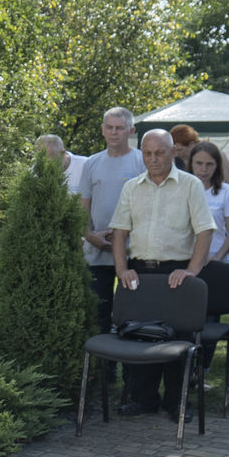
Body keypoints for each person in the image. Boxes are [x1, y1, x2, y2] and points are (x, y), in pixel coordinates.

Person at [108, 129, 217, 418]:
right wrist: (122, 270)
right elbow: (119, 233)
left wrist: (192, 270)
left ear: (173, 152)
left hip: (176, 271)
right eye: (147, 153)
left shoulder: (190, 185)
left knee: (178, 341)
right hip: (140, 272)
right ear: (141, 153)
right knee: (140, 337)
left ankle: (177, 401)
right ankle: (143, 399)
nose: (153, 159)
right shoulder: (131, 187)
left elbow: (205, 231)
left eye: (159, 153)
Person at [79, 107, 147, 337]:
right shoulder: (91, 163)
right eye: (109, 127)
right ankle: (101, 369)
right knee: (99, 313)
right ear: (102, 130)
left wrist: (127, 240)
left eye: (120, 128)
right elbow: (83, 207)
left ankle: (130, 365)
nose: (114, 133)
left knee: (132, 312)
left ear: (131, 131)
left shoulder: (142, 161)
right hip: (97, 250)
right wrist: (90, 236)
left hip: (133, 251)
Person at [188, 141, 229, 262]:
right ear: (191, 164)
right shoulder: (182, 190)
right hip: (188, 259)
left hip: (217, 258)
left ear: (217, 166)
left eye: (209, 164)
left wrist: (217, 258)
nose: (204, 169)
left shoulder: (226, 191)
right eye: (199, 163)